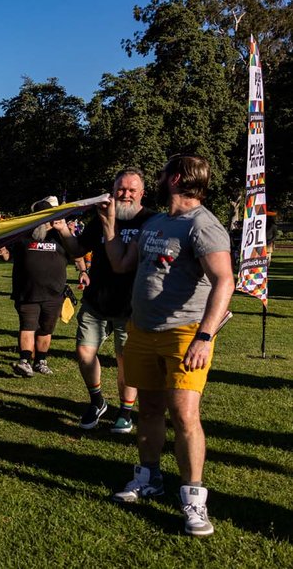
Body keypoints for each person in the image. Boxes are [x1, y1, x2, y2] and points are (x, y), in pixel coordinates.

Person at [102, 154, 232, 537]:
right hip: (142, 329)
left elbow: (224, 281)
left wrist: (205, 337)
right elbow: (123, 265)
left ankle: (193, 498)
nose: (157, 179)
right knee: (150, 409)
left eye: (161, 174)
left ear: (175, 178)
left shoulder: (203, 226)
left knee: (185, 415)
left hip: (185, 333)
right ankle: (148, 477)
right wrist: (109, 228)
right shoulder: (157, 222)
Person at [53, 169, 154, 433]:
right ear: (112, 190)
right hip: (97, 300)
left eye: (132, 190)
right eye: (121, 189)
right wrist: (64, 230)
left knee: (125, 361)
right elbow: (77, 250)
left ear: (142, 193)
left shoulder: (151, 222)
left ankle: (125, 411)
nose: (126, 194)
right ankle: (97, 401)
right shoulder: (99, 220)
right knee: (84, 353)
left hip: (131, 305)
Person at [0, 196, 72, 377]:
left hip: (54, 293)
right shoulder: (22, 235)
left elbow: (76, 252)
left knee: (46, 329)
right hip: (27, 292)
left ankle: (40, 361)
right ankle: (24, 361)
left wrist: (84, 271)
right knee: (28, 326)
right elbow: (7, 256)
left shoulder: (60, 236)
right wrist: (1, 249)